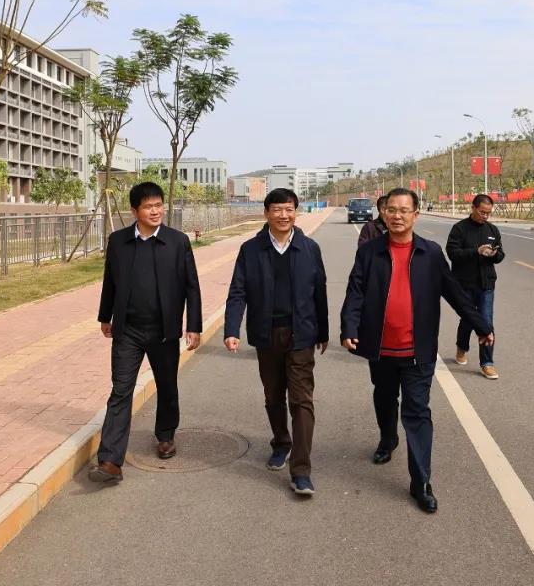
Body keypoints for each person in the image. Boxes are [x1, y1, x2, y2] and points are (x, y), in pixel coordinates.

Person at [340, 188, 493, 513]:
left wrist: (481, 325)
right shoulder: (369, 252)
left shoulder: (430, 253)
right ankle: (388, 439)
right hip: (381, 348)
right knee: (384, 398)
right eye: (391, 210)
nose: (397, 216)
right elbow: (356, 290)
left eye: (404, 210)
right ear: (384, 214)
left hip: (417, 350)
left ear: (415, 215)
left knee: (417, 412)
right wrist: (349, 326)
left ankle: (420, 482)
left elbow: (454, 292)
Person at [89, 182, 202, 485]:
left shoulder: (177, 242)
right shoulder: (118, 241)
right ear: (134, 211)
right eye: (148, 206)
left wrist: (193, 325)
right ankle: (110, 461)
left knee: (167, 386)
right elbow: (110, 281)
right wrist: (105, 316)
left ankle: (165, 435)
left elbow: (191, 286)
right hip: (128, 330)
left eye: (158, 205)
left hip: (164, 331)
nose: (155, 211)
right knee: (120, 390)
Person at [224, 188, 328, 496]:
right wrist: (232, 329)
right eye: (277, 209)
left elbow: (319, 292)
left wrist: (323, 332)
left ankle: (301, 470)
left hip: (301, 334)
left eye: (289, 209)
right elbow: (238, 291)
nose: (284, 215)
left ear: (296, 211)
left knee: (302, 400)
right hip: (266, 334)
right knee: (273, 396)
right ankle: (281, 443)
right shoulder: (250, 249)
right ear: (266, 212)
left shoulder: (309, 248)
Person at [445, 194, 505, 379]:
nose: (485, 216)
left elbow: (501, 254)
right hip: (464, 284)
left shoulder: (492, 229)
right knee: (468, 319)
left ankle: (487, 363)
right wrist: (476, 252)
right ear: (473, 208)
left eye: (488, 213)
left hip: (486, 284)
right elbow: (452, 253)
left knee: (486, 322)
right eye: (482, 212)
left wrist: (494, 254)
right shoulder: (459, 228)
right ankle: (462, 347)